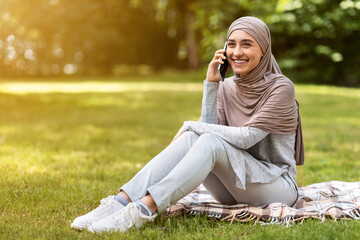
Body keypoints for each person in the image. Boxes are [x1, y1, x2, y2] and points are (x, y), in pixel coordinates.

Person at [71, 16, 304, 233]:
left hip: (276, 188)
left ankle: (143, 210)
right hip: (233, 189)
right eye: (231, 44)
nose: (236, 52)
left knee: (203, 137)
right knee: (196, 138)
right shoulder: (227, 87)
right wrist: (212, 85)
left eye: (247, 44)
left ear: (263, 50)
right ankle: (119, 202)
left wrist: (189, 124)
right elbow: (208, 128)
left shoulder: (281, 88)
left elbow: (246, 138)